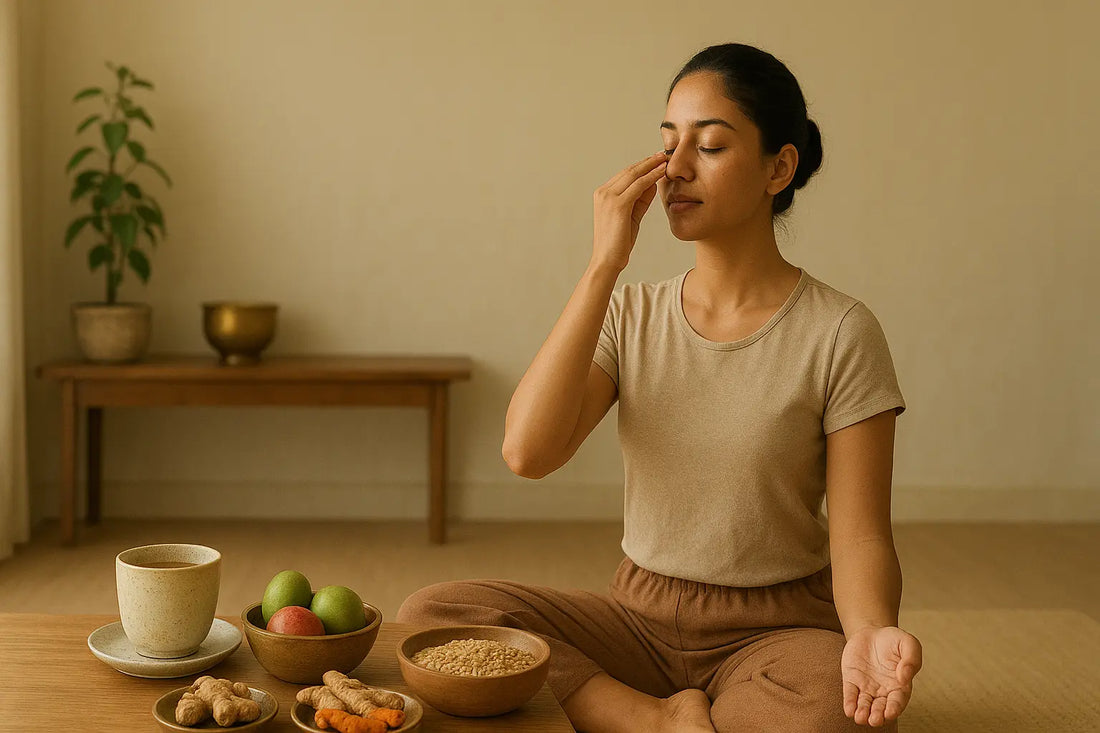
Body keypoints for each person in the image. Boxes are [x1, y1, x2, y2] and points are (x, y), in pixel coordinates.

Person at [397, 42, 923, 732]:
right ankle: (655, 719)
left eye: (709, 146)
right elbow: (528, 451)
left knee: (827, 697)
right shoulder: (630, 311)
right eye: (667, 142)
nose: (675, 169)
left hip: (778, 633)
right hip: (635, 623)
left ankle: (636, 714)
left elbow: (859, 537)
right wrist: (601, 268)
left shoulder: (842, 330)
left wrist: (870, 632)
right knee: (434, 616)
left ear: (779, 167)